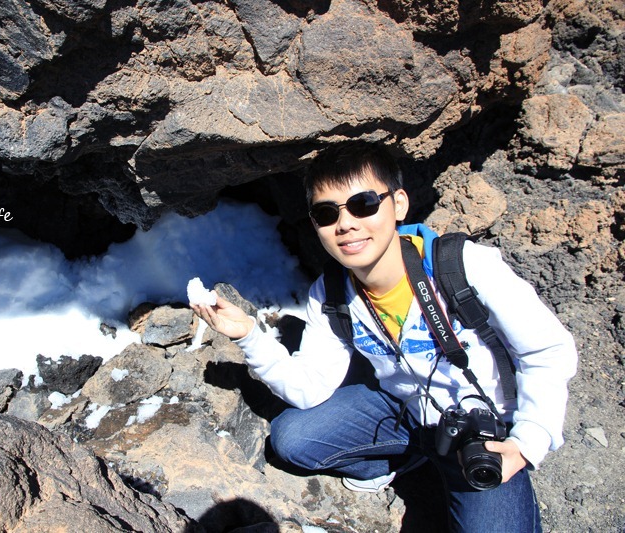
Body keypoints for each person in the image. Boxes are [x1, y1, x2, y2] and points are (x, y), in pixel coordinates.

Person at [191, 144, 577, 532]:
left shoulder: (462, 266)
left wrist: (525, 443)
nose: (346, 224)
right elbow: (308, 389)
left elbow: (547, 352)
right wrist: (249, 335)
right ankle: (403, 459)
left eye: (363, 205)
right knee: (293, 439)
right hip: (405, 412)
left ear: (399, 204)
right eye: (327, 214)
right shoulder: (331, 293)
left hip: (482, 433)